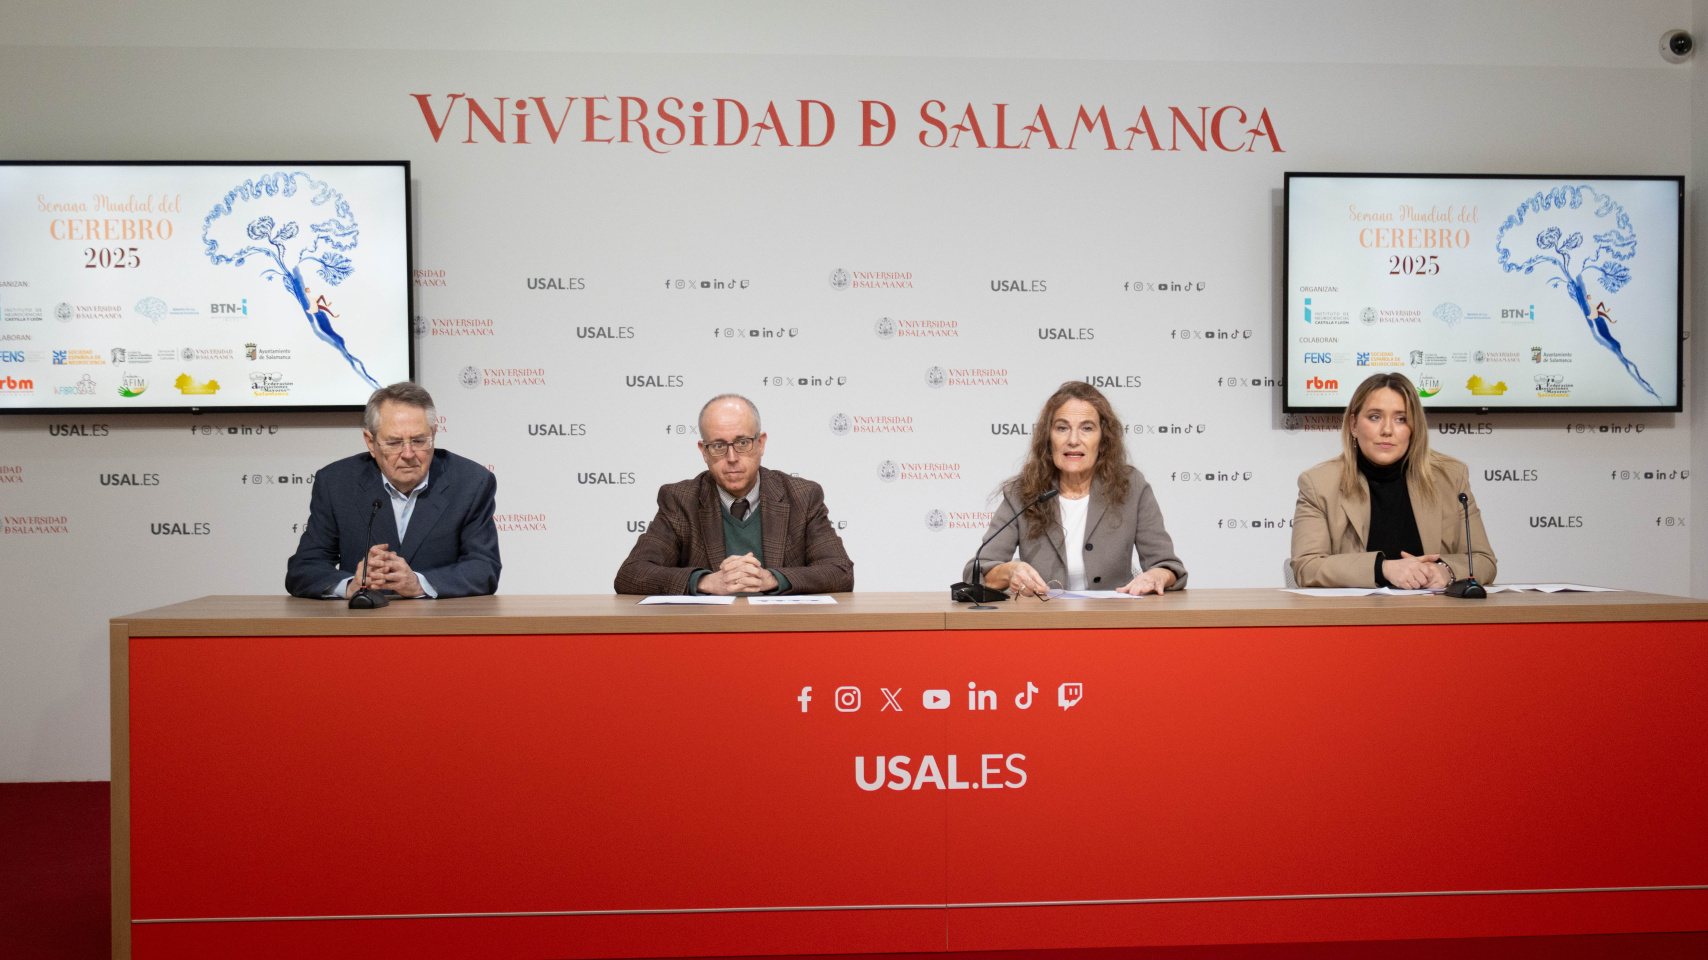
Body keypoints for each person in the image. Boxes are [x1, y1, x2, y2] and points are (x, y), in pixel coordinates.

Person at [615, 394, 853, 595]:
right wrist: (706, 582)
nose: (731, 457)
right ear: (704, 452)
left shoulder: (802, 496)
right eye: (718, 445)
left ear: (761, 444)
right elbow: (631, 575)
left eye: (742, 442)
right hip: (709, 636)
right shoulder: (680, 500)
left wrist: (770, 579)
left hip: (783, 634)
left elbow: (840, 572)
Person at [964, 381, 1186, 597]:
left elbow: (1168, 566)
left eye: (1086, 428)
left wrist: (1158, 575)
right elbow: (977, 572)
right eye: (1062, 428)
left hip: (1113, 622)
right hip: (1043, 623)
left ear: (1103, 440)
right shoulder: (1023, 492)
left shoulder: (1131, 486)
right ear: (1048, 438)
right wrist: (1011, 571)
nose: (1073, 440)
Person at [286, 382, 500, 599]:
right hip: (362, 624)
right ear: (370, 442)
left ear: (433, 435)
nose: (408, 453)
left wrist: (418, 584)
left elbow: (484, 568)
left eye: (418, 441)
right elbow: (303, 569)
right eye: (394, 442)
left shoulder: (471, 483)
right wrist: (351, 585)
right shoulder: (336, 483)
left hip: (439, 624)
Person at [1291, 372, 1497, 589]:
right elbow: (1307, 567)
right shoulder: (1319, 484)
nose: (1387, 430)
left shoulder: (1451, 477)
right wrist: (1384, 569)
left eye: (1401, 419)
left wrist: (1445, 571)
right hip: (1355, 618)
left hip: (1435, 616)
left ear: (1414, 427)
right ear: (1353, 425)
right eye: (1375, 417)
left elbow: (1483, 560)